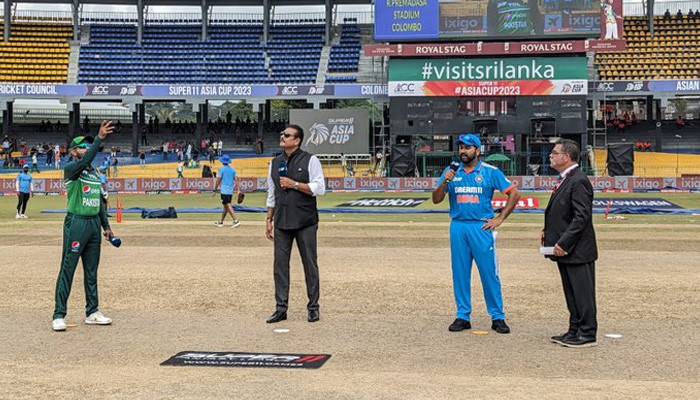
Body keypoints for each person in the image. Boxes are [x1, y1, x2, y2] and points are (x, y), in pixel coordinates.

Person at [432, 134, 521, 334]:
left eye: (468, 147)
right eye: (461, 147)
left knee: (489, 273)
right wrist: (445, 182)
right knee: (460, 272)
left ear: (478, 151)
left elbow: (514, 193)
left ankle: (497, 317)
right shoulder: (451, 171)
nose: (463, 151)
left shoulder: (490, 172)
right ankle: (463, 316)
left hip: (481, 228)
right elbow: (436, 199)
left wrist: (500, 218)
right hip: (458, 226)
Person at [52, 121, 116, 332]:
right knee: (67, 269)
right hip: (76, 222)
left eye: (88, 146)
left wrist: (106, 226)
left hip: (93, 225)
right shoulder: (71, 168)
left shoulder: (95, 173)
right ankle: (59, 314)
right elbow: (87, 158)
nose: (86, 149)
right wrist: (99, 139)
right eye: (82, 146)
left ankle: (92, 312)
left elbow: (98, 201)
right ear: (73, 151)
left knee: (91, 271)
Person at [265, 125, 326, 323]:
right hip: (282, 220)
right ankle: (281, 308)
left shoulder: (311, 160)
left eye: (287, 135)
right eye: (282, 134)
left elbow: (320, 188)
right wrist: (268, 219)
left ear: (297, 140)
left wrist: (295, 184)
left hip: (305, 220)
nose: (282, 137)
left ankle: (313, 307)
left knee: (309, 263)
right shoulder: (275, 163)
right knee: (280, 266)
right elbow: (271, 193)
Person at [543, 139, 598, 348]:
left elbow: (581, 217)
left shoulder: (578, 180)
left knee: (582, 293)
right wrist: (548, 234)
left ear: (566, 157)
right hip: (565, 249)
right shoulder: (567, 179)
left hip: (577, 250)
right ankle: (574, 330)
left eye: (554, 153)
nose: (551, 155)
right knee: (572, 292)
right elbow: (562, 214)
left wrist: (564, 242)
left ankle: (587, 333)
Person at [213, 155, 241, 228]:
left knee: (227, 204)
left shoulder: (221, 169)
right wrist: (238, 189)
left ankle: (235, 220)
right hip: (230, 190)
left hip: (224, 190)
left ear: (222, 162)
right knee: (225, 206)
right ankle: (221, 222)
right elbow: (236, 180)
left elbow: (218, 179)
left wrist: (215, 189)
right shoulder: (233, 170)